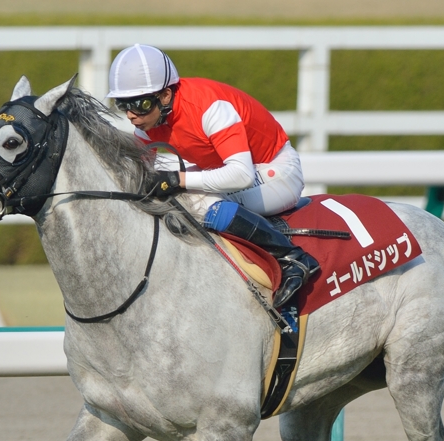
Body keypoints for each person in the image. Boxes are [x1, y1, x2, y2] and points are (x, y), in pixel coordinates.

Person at [107, 43, 318, 309]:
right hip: (232, 171)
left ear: (165, 96)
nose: (131, 115)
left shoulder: (209, 108)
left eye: (139, 104)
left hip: (274, 172)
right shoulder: (150, 120)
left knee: (197, 202)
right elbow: (138, 170)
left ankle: (293, 258)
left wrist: (179, 180)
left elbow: (240, 174)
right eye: (123, 104)